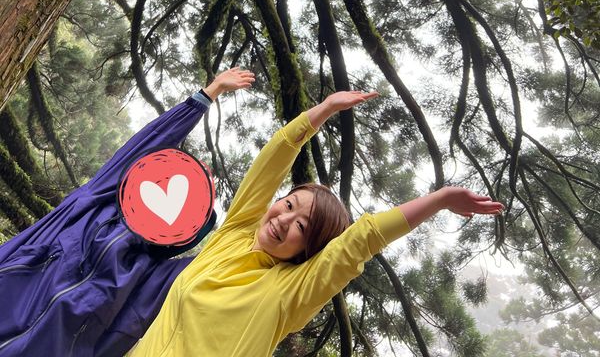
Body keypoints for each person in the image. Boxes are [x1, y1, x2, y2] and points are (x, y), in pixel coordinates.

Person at [127, 90, 504, 357]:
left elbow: (361, 240)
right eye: (289, 205)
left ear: (308, 249)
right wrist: (323, 110)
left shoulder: (288, 294)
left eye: (303, 228)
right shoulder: (233, 235)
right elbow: (272, 162)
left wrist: (439, 199)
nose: (284, 220)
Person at [0, 66, 255, 357]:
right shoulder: (96, 203)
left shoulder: (149, 277)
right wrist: (209, 94)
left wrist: (268, 235)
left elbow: (217, 266)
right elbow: (151, 141)